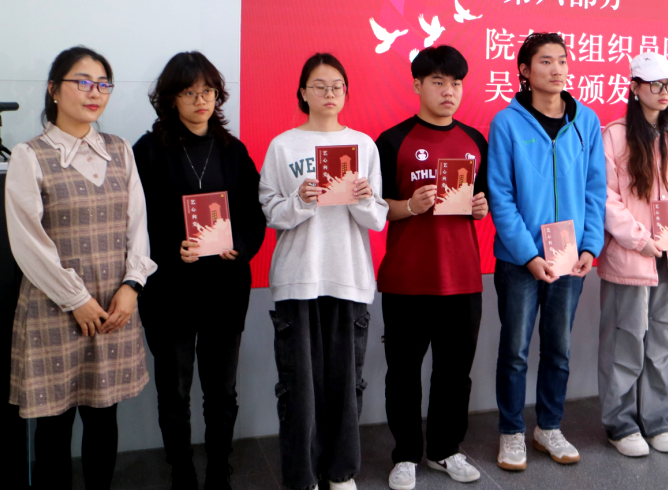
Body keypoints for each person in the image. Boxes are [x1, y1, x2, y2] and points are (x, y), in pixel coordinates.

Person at [5, 46, 156, 490]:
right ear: (54, 89)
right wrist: (76, 299)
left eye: (103, 84)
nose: (95, 92)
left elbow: (138, 225)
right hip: (55, 309)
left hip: (113, 306)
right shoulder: (30, 155)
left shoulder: (120, 150)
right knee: (53, 426)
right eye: (83, 82)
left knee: (103, 418)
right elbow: (28, 243)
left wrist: (132, 285)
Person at [133, 52, 268, 490]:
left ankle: (218, 469)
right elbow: (133, 223)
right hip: (169, 290)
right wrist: (170, 250)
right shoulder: (148, 151)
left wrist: (241, 245)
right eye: (189, 92)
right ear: (171, 98)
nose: (201, 100)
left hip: (224, 290)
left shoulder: (233, 150)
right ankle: (182, 471)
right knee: (174, 392)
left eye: (208, 91)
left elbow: (254, 214)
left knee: (221, 392)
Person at [259, 53, 388, 490]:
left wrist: (362, 197)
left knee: (346, 382)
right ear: (303, 92)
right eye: (319, 85)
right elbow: (271, 212)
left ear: (346, 93)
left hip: (349, 275)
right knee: (299, 386)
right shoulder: (283, 146)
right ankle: (302, 476)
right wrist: (301, 200)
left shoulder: (363, 145)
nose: (329, 93)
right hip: (298, 277)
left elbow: (376, 219)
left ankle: (341, 471)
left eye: (337, 86)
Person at [488, 32, 606, 471]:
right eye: (545, 61)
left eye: (562, 60)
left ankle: (549, 426)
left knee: (558, 348)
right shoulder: (507, 123)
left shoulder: (586, 121)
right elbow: (500, 195)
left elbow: (595, 189)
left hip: (568, 257)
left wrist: (590, 244)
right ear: (525, 70)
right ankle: (511, 431)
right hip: (520, 261)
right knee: (515, 351)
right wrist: (527, 255)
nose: (557, 69)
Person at [375, 46, 489, 490]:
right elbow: (373, 207)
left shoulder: (475, 140)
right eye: (438, 82)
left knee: (454, 374)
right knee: (403, 374)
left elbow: (483, 197)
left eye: (456, 83)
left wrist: (481, 207)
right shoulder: (392, 140)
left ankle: (445, 449)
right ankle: (405, 454)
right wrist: (408, 205)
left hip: (462, 279)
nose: (449, 92)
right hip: (407, 279)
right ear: (417, 85)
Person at [597, 53, 668, 457]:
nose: (664, 92)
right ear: (634, 87)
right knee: (625, 341)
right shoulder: (615, 135)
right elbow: (606, 196)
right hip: (632, 257)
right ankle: (621, 424)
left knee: (662, 340)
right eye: (655, 84)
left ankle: (657, 420)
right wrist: (638, 238)